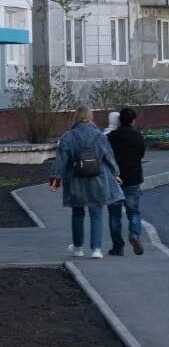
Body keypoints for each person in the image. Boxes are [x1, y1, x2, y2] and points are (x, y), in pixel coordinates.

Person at [49, 106, 125, 259]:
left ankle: (78, 248)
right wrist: (115, 173)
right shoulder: (99, 136)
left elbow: (61, 160)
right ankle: (96, 249)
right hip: (98, 178)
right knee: (96, 212)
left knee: (77, 213)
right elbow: (109, 157)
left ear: (76, 118)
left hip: (76, 179)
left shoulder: (68, 137)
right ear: (90, 118)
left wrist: (55, 180)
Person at [107, 107, 146, 256]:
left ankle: (118, 247)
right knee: (133, 211)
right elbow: (141, 153)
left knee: (114, 214)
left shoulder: (111, 137)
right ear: (133, 120)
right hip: (133, 178)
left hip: (114, 179)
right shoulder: (137, 136)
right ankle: (134, 234)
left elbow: (107, 156)